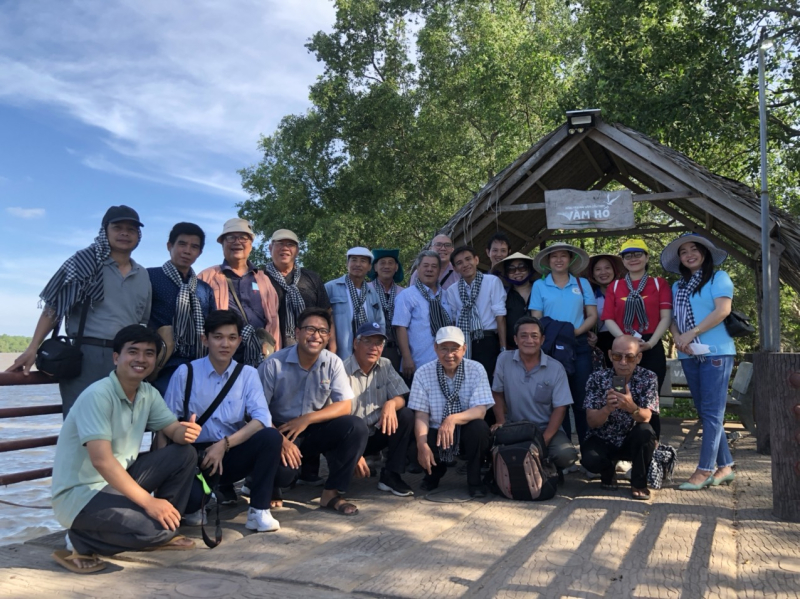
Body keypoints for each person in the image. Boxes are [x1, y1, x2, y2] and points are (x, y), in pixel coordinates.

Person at [50, 325, 201, 574]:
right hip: (81, 495)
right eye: (133, 351)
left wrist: (185, 433)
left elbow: (172, 428)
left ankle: (164, 524)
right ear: (116, 357)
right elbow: (102, 461)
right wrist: (149, 502)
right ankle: (81, 540)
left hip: (117, 482)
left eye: (149, 353)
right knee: (156, 529)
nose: (141, 359)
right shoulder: (98, 395)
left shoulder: (147, 393)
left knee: (184, 454)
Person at [8, 205, 152, 418]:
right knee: (80, 424)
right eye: (117, 227)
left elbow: (141, 321)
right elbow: (54, 307)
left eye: (131, 229)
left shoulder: (143, 275)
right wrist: (32, 348)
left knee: (119, 424)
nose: (124, 233)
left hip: (125, 358)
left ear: (138, 236)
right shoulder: (84, 262)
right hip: (85, 355)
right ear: (105, 231)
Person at [163, 310, 285, 532]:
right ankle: (197, 504)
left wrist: (224, 444)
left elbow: (262, 419)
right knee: (191, 508)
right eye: (218, 337)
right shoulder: (185, 373)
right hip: (196, 457)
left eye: (231, 338)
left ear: (239, 341)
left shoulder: (247, 374)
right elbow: (166, 421)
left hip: (231, 451)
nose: (225, 344)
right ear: (205, 339)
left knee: (270, 436)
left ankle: (259, 510)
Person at [258, 307, 369, 515]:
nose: (316, 336)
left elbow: (345, 405)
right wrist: (280, 440)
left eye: (323, 331)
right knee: (285, 476)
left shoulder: (332, 362)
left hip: (313, 427)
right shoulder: (274, 364)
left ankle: (331, 494)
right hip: (280, 429)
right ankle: (267, 482)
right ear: (297, 332)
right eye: (310, 329)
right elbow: (257, 410)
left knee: (356, 426)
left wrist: (307, 419)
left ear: (328, 337)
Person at [661, 233, 736, 490]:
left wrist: (692, 333)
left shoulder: (719, 278)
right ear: (680, 259)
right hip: (688, 353)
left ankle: (705, 470)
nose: (689, 254)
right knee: (705, 412)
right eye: (683, 252)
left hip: (716, 352)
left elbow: (722, 310)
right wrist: (679, 338)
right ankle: (725, 466)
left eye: (694, 249)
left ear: (704, 253)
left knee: (713, 413)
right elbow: (670, 317)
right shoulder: (677, 286)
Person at [409, 326, 494, 497]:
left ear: (464, 349)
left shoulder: (476, 369)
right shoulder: (423, 373)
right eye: (444, 349)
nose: (449, 355)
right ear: (435, 348)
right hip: (435, 430)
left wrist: (452, 419)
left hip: (465, 430)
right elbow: (421, 415)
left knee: (480, 428)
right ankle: (433, 474)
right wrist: (421, 444)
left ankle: (474, 480)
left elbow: (480, 410)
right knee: (417, 442)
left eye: (454, 349)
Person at [529, 243, 597, 445]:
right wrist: (557, 336)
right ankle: (563, 454)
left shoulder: (582, 283)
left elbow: (592, 315)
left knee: (582, 399)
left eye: (563, 256)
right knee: (558, 402)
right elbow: (536, 318)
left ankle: (588, 454)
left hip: (579, 345)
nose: (558, 260)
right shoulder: (539, 285)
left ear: (571, 260)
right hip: (550, 349)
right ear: (548, 262)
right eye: (554, 257)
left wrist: (574, 333)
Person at [491, 317, 578, 470]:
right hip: (513, 426)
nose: (529, 340)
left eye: (534, 336)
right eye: (523, 336)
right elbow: (496, 393)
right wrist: (500, 421)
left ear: (543, 339)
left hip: (545, 428)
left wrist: (542, 442)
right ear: (515, 339)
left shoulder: (556, 368)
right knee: (488, 444)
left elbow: (561, 408)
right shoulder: (504, 360)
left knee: (566, 456)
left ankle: (547, 469)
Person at [582, 335, 659, 500]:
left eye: (629, 357)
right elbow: (591, 421)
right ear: (610, 356)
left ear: (638, 358)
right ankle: (608, 470)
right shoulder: (597, 378)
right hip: (603, 437)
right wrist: (607, 409)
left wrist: (632, 407)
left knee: (646, 432)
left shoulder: (648, 378)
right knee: (590, 459)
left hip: (631, 440)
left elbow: (646, 417)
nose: (623, 362)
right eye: (617, 356)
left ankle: (638, 483)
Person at [198, 218, 280, 367]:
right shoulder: (207, 277)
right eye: (230, 237)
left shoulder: (263, 279)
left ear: (250, 245)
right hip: (221, 357)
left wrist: (272, 351)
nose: (237, 242)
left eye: (243, 237)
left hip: (259, 357)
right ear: (222, 243)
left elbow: (273, 322)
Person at [344, 322, 414, 496]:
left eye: (379, 343)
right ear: (355, 343)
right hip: (348, 438)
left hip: (375, 433)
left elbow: (401, 397)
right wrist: (353, 453)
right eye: (368, 341)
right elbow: (335, 418)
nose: (374, 348)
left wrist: (391, 404)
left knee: (405, 415)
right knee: (341, 485)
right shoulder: (341, 370)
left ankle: (391, 475)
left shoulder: (385, 365)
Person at [147, 222, 217, 395]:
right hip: (163, 366)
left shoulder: (204, 288)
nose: (187, 251)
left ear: (199, 253)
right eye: (182, 244)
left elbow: (212, 325)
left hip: (198, 365)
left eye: (194, 247)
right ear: (169, 246)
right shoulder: (150, 277)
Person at [602, 239, 672, 396]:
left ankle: (650, 422)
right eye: (628, 256)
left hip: (650, 345)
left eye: (638, 254)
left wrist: (650, 343)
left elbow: (666, 317)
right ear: (623, 261)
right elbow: (608, 318)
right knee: (619, 394)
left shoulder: (659, 284)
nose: (633, 258)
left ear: (647, 257)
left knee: (651, 398)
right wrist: (626, 342)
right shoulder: (614, 286)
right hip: (621, 348)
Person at [445, 246, 507, 384]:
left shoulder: (492, 281)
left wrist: (503, 349)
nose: (465, 264)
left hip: (488, 340)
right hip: (464, 342)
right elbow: (454, 321)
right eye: (459, 263)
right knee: (467, 383)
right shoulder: (452, 291)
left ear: (476, 260)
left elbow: (500, 316)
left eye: (468, 259)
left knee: (489, 384)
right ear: (455, 268)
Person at [264, 228, 332, 349]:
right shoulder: (260, 278)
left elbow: (327, 314)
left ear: (297, 251)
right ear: (270, 248)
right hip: (274, 350)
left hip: (312, 348)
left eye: (290, 244)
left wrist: (332, 347)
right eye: (280, 243)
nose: (285, 248)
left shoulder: (312, 278)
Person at [393, 250, 453, 382]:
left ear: (439, 270)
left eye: (434, 266)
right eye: (425, 266)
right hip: (417, 362)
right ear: (418, 268)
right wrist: (407, 358)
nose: (429, 270)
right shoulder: (407, 295)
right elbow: (400, 328)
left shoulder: (447, 295)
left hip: (445, 363)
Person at [325, 247, 385, 360]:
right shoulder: (330, 288)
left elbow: (380, 324)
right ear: (347, 263)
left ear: (369, 267)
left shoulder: (372, 293)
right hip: (339, 355)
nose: (358, 264)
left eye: (363, 261)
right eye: (354, 260)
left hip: (366, 356)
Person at [583, 253, 625, 366]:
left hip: (625, 340)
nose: (603, 272)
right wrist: (589, 334)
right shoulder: (589, 296)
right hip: (599, 342)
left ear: (614, 270)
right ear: (592, 273)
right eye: (598, 269)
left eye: (607, 268)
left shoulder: (627, 292)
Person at [367, 248, 405, 372]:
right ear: (375, 268)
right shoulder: (366, 289)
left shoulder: (403, 293)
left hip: (397, 350)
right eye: (382, 263)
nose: (387, 266)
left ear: (396, 267)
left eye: (390, 263)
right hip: (371, 348)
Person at [497, 252, 536, 350]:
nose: (517, 272)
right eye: (511, 269)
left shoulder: (540, 290)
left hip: (541, 347)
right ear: (506, 273)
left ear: (529, 269)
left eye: (522, 267)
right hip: (513, 349)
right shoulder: (504, 296)